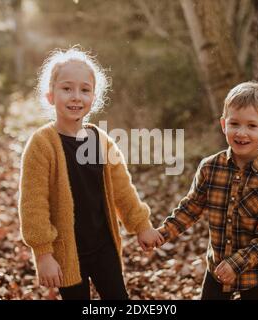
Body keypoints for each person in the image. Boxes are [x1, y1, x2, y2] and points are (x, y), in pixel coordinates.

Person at [18, 47, 163, 300]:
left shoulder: (101, 140)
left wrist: (141, 226)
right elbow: (33, 205)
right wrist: (43, 254)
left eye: (84, 90)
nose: (76, 97)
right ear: (50, 96)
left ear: (94, 97)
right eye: (67, 89)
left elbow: (123, 190)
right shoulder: (41, 145)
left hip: (103, 245)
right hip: (67, 250)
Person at [150, 81, 258, 300]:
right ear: (224, 124)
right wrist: (162, 234)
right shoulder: (210, 167)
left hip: (255, 273)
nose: (241, 133)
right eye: (234, 124)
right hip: (216, 268)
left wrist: (236, 263)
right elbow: (191, 207)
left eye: (252, 126)